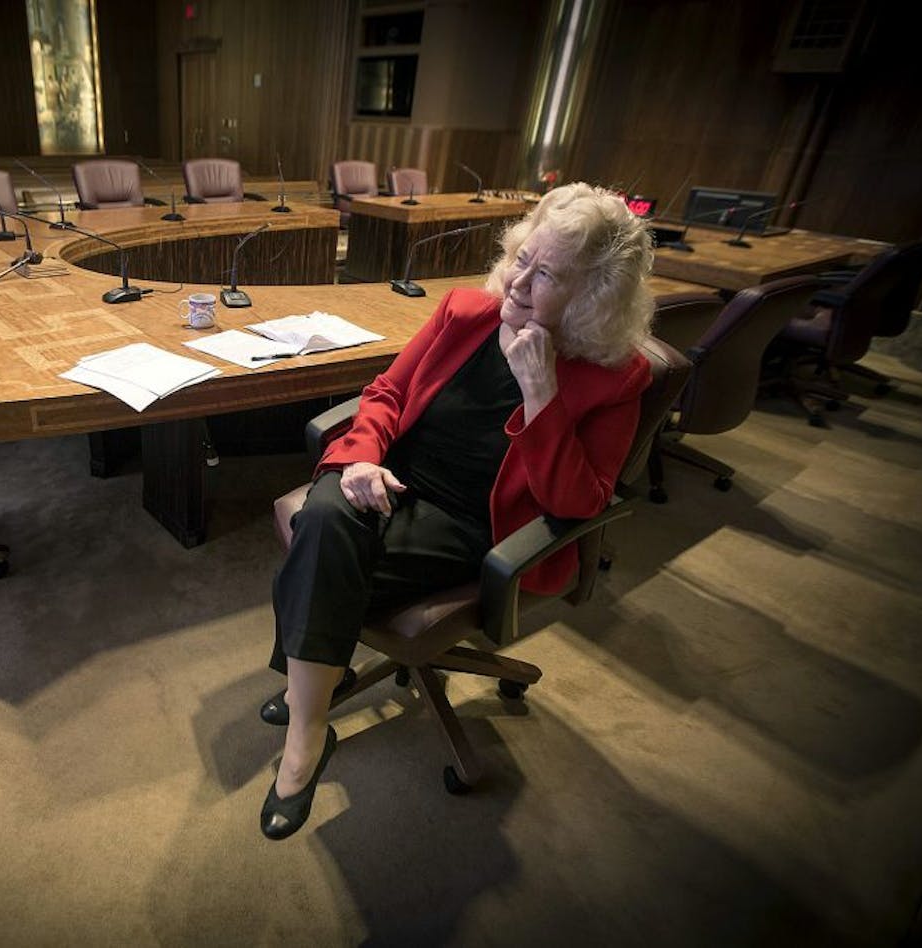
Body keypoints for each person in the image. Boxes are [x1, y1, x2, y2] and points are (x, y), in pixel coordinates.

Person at [259, 182, 656, 840]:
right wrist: (359, 458)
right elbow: (386, 393)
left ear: (595, 297)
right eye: (523, 257)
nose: (520, 282)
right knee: (327, 515)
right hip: (391, 483)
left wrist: (542, 395)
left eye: (548, 273)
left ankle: (307, 725)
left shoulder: (616, 378)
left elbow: (578, 502)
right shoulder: (467, 312)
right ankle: (313, 710)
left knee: (317, 550)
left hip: (478, 526)